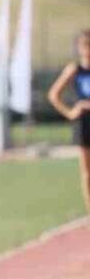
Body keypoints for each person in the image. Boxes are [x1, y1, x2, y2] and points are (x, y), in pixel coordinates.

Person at [45, 29, 90, 213]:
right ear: (79, 48)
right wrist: (70, 112)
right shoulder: (74, 69)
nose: (88, 49)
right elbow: (54, 94)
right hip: (84, 121)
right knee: (87, 171)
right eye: (85, 45)